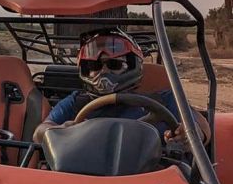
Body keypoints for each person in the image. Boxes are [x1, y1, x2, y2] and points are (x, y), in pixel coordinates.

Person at [33, 28, 210, 145]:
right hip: (84, 181)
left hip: (152, 183)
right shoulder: (76, 103)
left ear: (133, 67)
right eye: (95, 67)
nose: (103, 72)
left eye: (114, 65)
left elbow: (202, 128)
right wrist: (61, 131)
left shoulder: (163, 101)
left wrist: (189, 135)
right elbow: (39, 133)